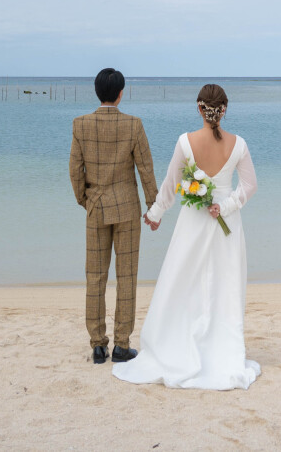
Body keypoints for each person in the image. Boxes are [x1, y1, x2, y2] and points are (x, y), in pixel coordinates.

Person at [112, 83, 261, 390]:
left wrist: (155, 214)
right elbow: (249, 186)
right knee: (224, 284)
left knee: (185, 281)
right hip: (227, 224)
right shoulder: (239, 144)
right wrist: (225, 206)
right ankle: (219, 346)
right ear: (224, 110)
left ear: (199, 108)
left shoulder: (185, 142)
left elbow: (171, 185)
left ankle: (184, 341)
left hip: (193, 222)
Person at [69, 68, 159, 364]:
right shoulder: (133, 125)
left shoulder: (80, 124)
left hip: (96, 207)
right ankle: (121, 345)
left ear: (97, 92)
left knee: (95, 277)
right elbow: (145, 168)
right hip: (127, 209)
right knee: (127, 276)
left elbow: (75, 170)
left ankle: (98, 345)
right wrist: (154, 207)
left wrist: (85, 200)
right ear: (121, 94)